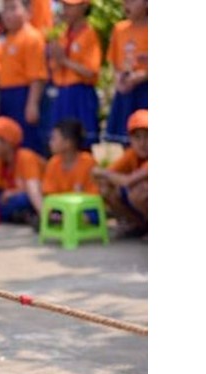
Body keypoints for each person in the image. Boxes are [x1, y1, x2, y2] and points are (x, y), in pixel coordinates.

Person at [0, 0, 49, 155]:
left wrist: (32, 104)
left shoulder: (32, 37)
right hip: (6, 95)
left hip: (23, 95)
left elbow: (37, 76)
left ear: (27, 11)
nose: (8, 15)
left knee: (27, 141)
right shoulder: (6, 39)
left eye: (13, 9)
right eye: (5, 10)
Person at [47, 0, 102, 149]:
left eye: (70, 6)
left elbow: (91, 72)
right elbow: (55, 67)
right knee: (59, 141)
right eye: (64, 6)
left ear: (84, 6)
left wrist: (64, 60)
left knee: (82, 142)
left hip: (81, 93)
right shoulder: (62, 35)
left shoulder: (89, 34)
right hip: (62, 92)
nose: (65, 10)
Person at [0, 115, 46, 224]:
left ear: (6, 143)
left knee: (20, 200)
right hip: (9, 197)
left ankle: (28, 215)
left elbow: (34, 190)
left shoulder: (25, 157)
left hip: (36, 197)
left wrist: (12, 193)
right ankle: (17, 216)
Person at [92, 109, 147, 239]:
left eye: (147, 136)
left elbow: (128, 181)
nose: (142, 143)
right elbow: (107, 175)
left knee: (139, 191)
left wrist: (102, 172)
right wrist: (104, 175)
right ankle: (138, 225)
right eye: (137, 137)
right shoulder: (131, 154)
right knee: (105, 187)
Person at [103, 0, 147, 145]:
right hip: (126, 88)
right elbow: (115, 63)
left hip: (145, 90)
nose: (126, 4)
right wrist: (119, 81)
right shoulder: (119, 29)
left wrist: (143, 76)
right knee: (124, 138)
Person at [42, 118, 98, 196]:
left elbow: (94, 194)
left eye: (54, 139)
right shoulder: (53, 163)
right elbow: (49, 194)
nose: (50, 143)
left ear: (68, 143)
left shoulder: (88, 162)